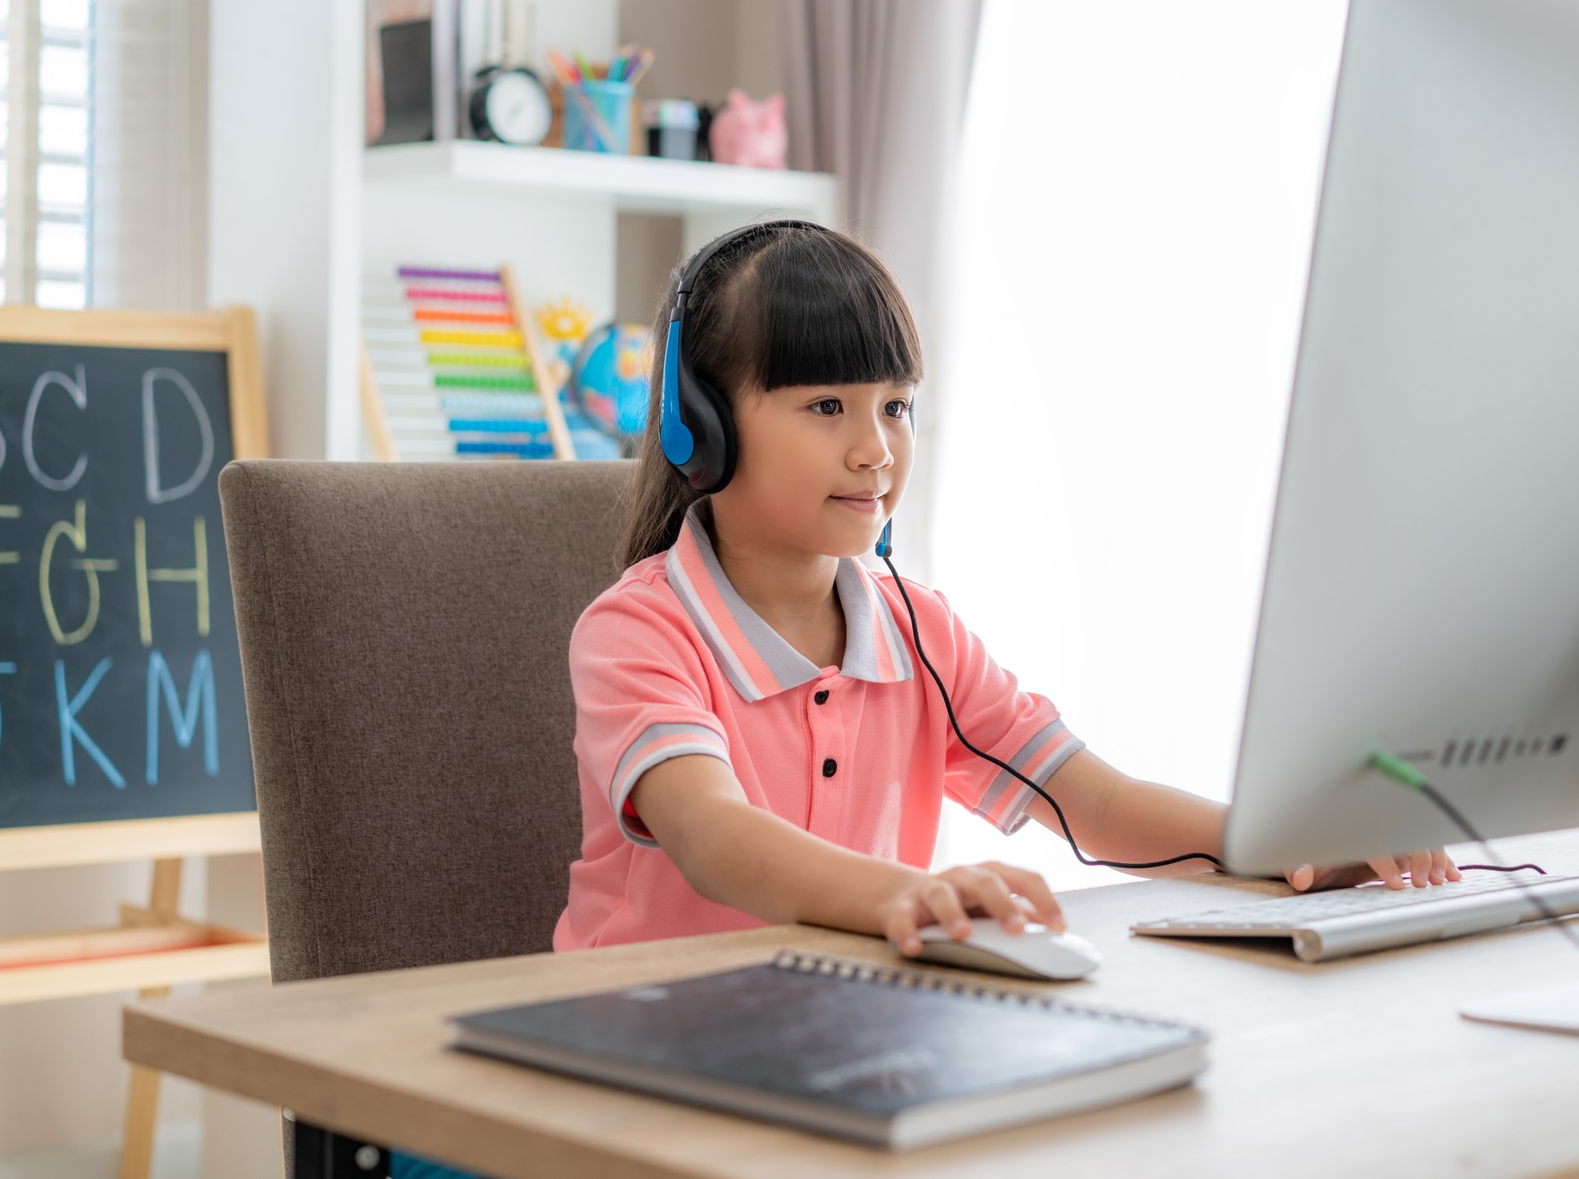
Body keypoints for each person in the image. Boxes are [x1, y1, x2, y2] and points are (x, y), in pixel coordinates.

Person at [553, 219, 1459, 961]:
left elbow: (1093, 801)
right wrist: (913, 892)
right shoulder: (641, 631)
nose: (876, 449)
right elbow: (714, 838)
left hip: (832, 1024)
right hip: (627, 1039)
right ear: (696, 423)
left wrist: (1284, 842)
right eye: (828, 406)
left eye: (897, 406)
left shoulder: (919, 630)